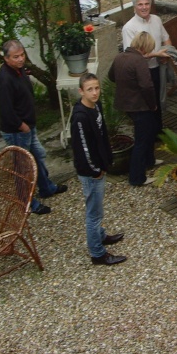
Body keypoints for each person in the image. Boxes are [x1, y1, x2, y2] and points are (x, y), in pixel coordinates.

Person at [0, 39, 66, 215]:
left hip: (28, 127)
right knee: (22, 169)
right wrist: (22, 126)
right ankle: (28, 203)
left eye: (22, 55)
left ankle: (47, 188)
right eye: (15, 57)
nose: (20, 59)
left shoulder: (19, 71)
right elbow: (6, 110)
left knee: (38, 157)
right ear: (6, 58)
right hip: (17, 132)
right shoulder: (4, 79)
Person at [70, 72, 126, 266]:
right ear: (81, 91)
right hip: (91, 173)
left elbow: (101, 137)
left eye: (96, 88)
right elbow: (82, 149)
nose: (95, 93)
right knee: (93, 214)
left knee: (97, 210)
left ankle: (100, 236)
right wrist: (95, 170)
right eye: (89, 89)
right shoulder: (80, 117)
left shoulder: (96, 106)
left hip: (99, 168)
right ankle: (97, 253)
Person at [109, 31, 159, 187]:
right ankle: (137, 177)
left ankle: (150, 160)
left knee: (149, 132)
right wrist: (153, 105)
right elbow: (147, 86)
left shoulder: (119, 57)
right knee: (141, 141)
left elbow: (111, 76)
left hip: (126, 105)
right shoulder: (139, 62)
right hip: (140, 106)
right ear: (145, 47)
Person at [121, 0, 171, 132]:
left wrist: (166, 51)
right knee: (146, 104)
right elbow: (131, 57)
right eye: (140, 4)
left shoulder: (156, 19)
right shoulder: (129, 28)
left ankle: (159, 131)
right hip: (140, 72)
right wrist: (156, 53)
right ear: (134, 7)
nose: (144, 7)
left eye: (147, 4)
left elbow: (166, 38)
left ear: (151, 4)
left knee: (157, 100)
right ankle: (149, 133)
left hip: (156, 68)